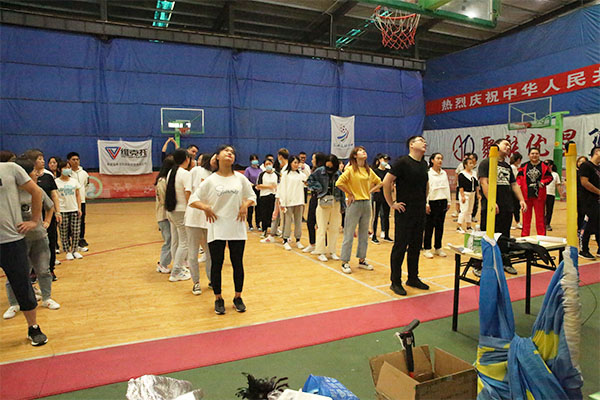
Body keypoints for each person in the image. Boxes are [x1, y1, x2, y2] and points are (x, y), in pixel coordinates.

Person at [189, 145, 256, 315]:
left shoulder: (240, 179)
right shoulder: (211, 180)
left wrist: (245, 204)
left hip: (237, 226)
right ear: (217, 156)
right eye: (226, 151)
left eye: (232, 152)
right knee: (217, 264)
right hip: (216, 226)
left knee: (237, 263)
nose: (229, 154)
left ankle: (238, 297)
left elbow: (252, 196)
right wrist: (205, 207)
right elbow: (193, 200)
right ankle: (218, 298)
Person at [4, 157, 60, 320]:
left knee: (43, 270)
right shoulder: (11, 193)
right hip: (18, 241)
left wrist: (46, 222)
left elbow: (50, 207)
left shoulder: (38, 191)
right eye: (33, 172)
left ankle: (47, 298)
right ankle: (14, 304)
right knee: (16, 274)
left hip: (39, 238)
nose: (36, 174)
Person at [0, 160, 49, 346]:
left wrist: (35, 221)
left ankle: (33, 327)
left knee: (22, 285)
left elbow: (36, 192)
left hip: (11, 240)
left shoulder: (10, 169)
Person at [383, 136, 430, 295]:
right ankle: (395, 281)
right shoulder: (402, 162)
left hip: (419, 211)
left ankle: (413, 278)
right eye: (420, 140)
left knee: (416, 246)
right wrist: (392, 203)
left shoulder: (423, 164)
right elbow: (386, 182)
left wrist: (424, 201)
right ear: (411, 144)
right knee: (400, 246)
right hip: (404, 211)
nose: (424, 143)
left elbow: (426, 184)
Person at [478, 138, 527, 275]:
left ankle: (505, 262)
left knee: (505, 236)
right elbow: (484, 182)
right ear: (496, 146)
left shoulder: (507, 166)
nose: (508, 146)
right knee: (487, 236)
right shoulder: (486, 163)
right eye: (506, 144)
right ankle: (480, 265)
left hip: (507, 206)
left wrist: (521, 200)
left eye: (510, 145)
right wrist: (492, 202)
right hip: (491, 207)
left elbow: (514, 184)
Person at [336, 146, 382, 274]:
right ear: (355, 156)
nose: (364, 152)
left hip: (366, 203)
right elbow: (339, 183)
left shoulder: (368, 170)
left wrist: (370, 191)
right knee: (349, 233)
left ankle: (362, 260)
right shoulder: (350, 169)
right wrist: (350, 193)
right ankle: (345, 261)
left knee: (364, 234)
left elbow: (380, 182)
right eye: (360, 151)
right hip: (354, 204)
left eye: (364, 150)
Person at [24, 149, 62, 281]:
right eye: (39, 159)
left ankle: (50, 269)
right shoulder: (24, 177)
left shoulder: (48, 176)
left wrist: (57, 212)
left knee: (50, 242)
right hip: (30, 216)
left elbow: (54, 195)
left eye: (43, 158)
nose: (43, 161)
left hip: (47, 216)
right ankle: (32, 272)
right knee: (31, 244)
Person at [308, 154, 345, 262]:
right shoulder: (319, 171)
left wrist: (343, 205)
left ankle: (332, 251)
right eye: (327, 165)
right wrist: (319, 188)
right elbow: (309, 181)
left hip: (336, 201)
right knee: (321, 227)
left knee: (334, 227)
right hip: (323, 201)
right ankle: (321, 251)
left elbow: (342, 189)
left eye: (331, 165)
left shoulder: (338, 173)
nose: (329, 167)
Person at [186, 154, 213, 295]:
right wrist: (192, 206)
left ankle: (211, 280)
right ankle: (196, 282)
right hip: (193, 218)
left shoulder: (216, 176)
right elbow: (188, 192)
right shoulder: (196, 171)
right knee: (193, 251)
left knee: (210, 252)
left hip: (209, 219)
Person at [165, 148, 192, 282]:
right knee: (185, 242)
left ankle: (178, 266)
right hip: (181, 211)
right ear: (187, 159)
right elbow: (188, 193)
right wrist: (191, 209)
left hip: (171, 211)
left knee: (176, 240)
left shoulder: (171, 172)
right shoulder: (185, 174)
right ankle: (176, 272)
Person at [517, 147, 553, 237]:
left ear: (539, 155)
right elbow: (519, 178)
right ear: (529, 155)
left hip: (539, 196)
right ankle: (525, 237)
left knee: (540, 218)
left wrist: (543, 182)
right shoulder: (523, 166)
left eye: (536, 153)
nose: (534, 155)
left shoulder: (544, 166)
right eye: (532, 153)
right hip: (526, 196)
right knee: (526, 218)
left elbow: (549, 177)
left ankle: (541, 236)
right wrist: (518, 187)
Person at [423, 152, 451, 259]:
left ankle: (438, 247)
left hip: (442, 201)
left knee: (440, 226)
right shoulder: (428, 173)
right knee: (429, 226)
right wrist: (426, 203)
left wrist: (449, 201)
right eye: (438, 158)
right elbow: (426, 189)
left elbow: (447, 187)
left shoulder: (444, 173)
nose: (440, 160)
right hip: (432, 202)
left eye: (441, 158)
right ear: (432, 160)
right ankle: (427, 248)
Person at [55, 160, 83, 260]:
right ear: (59, 169)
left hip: (74, 209)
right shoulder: (56, 182)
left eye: (68, 167)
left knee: (76, 231)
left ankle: (74, 250)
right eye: (65, 168)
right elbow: (55, 197)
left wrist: (79, 208)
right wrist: (57, 211)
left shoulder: (74, 181)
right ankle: (67, 251)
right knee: (63, 232)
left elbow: (78, 195)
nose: (67, 169)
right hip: (62, 210)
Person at [278, 155, 307, 250]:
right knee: (287, 221)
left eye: (297, 163)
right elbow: (282, 189)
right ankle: (285, 239)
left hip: (299, 201)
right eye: (294, 162)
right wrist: (282, 202)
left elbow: (307, 180)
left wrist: (303, 169)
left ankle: (298, 239)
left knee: (298, 221)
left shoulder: (301, 175)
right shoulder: (285, 174)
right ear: (290, 163)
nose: (296, 164)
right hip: (288, 201)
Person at [155, 157, 176, 274]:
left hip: (167, 215)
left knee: (172, 239)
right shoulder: (162, 181)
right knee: (169, 239)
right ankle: (162, 264)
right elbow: (163, 200)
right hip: (163, 215)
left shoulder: (167, 180)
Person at [578, 146, 600, 259]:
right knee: (587, 225)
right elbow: (585, 183)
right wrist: (598, 192)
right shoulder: (586, 166)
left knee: (599, 225)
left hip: (597, 201)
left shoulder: (598, 167)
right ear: (597, 152)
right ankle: (584, 250)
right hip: (588, 201)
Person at [303, 152, 326, 253]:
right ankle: (312, 243)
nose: (312, 161)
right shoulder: (314, 170)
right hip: (313, 198)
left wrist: (311, 184)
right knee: (310, 221)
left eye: (313, 159)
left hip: (321, 198)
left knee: (321, 223)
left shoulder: (322, 171)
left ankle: (323, 245)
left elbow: (321, 186)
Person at [66, 152, 89, 250]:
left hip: (81, 200)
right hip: (70, 201)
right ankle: (68, 239)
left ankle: (81, 238)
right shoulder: (67, 173)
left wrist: (81, 194)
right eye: (73, 160)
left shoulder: (84, 173)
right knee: (69, 221)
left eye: (77, 159)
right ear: (69, 161)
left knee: (81, 220)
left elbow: (86, 185)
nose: (76, 161)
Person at [371, 154, 393, 244]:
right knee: (375, 216)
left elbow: (391, 183)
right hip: (377, 196)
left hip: (386, 196)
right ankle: (374, 236)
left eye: (387, 160)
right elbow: (372, 184)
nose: (386, 162)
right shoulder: (375, 171)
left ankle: (386, 235)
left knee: (386, 216)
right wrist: (375, 189)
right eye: (384, 159)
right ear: (380, 160)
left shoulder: (388, 172)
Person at [256, 158, 279, 240]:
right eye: (266, 164)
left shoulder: (276, 174)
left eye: (270, 164)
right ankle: (264, 230)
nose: (268, 166)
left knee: (273, 214)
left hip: (274, 196)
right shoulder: (262, 174)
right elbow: (259, 186)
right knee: (264, 214)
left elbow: (278, 184)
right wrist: (269, 186)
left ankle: (274, 230)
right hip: (264, 196)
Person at [456, 157, 478, 233]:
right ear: (465, 165)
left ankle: (469, 226)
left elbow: (476, 185)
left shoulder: (474, 173)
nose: (472, 165)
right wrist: (462, 196)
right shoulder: (462, 174)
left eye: (472, 163)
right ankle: (459, 226)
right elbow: (460, 186)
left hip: (472, 194)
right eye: (470, 163)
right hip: (465, 194)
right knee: (464, 210)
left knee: (469, 211)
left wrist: (478, 194)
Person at [243, 154, 262, 231]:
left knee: (259, 208)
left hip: (259, 189)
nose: (255, 161)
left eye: (256, 159)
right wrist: (253, 185)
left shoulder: (260, 170)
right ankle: (250, 224)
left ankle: (258, 223)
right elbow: (245, 180)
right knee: (250, 208)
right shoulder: (248, 170)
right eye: (253, 159)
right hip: (251, 189)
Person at [544, 160, 562, 231]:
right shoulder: (542, 173)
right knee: (541, 210)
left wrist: (561, 195)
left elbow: (558, 185)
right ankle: (542, 223)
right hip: (542, 194)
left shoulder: (555, 174)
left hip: (551, 194)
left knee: (549, 210)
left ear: (551, 165)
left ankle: (547, 223)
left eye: (547, 164)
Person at [509, 152, 523, 230]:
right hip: (513, 189)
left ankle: (517, 222)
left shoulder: (516, 167)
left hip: (516, 188)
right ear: (518, 160)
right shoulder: (513, 168)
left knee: (516, 207)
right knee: (514, 207)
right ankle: (512, 223)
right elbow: (514, 179)